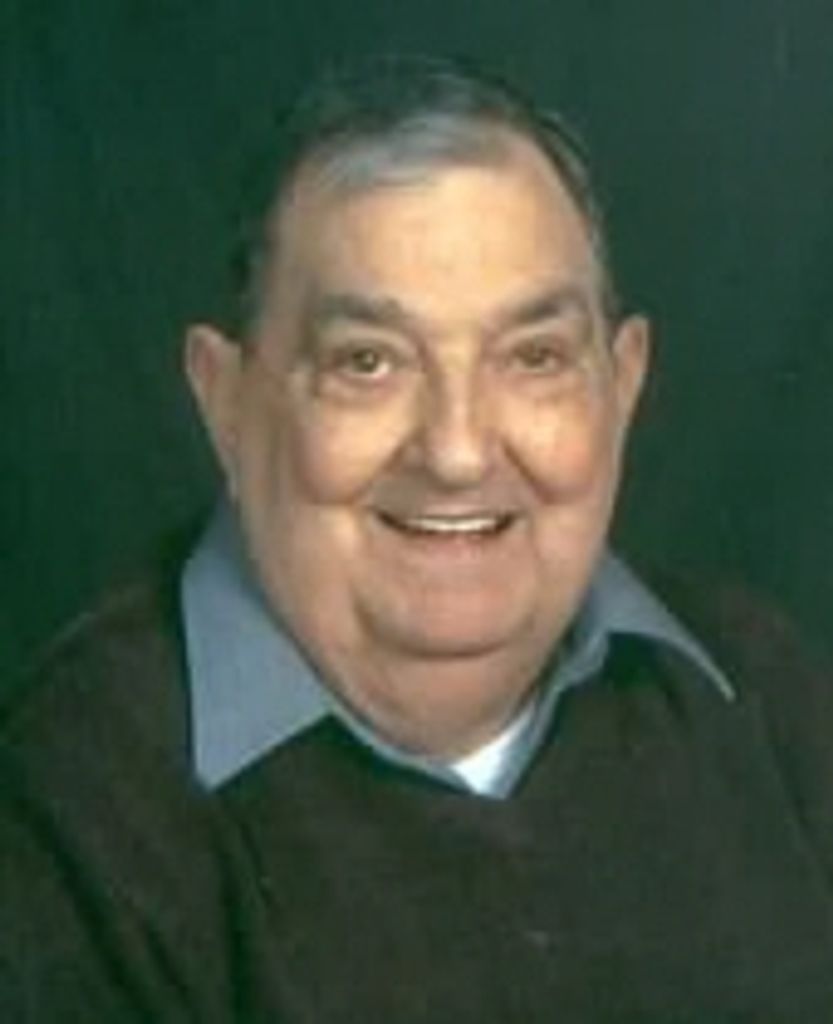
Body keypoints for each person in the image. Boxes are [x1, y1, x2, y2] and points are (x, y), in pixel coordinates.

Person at [3, 55, 833, 1022]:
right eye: (367, 362)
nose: (456, 451)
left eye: (533, 358)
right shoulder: (69, 815)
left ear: (623, 387)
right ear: (225, 402)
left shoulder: (762, 686)